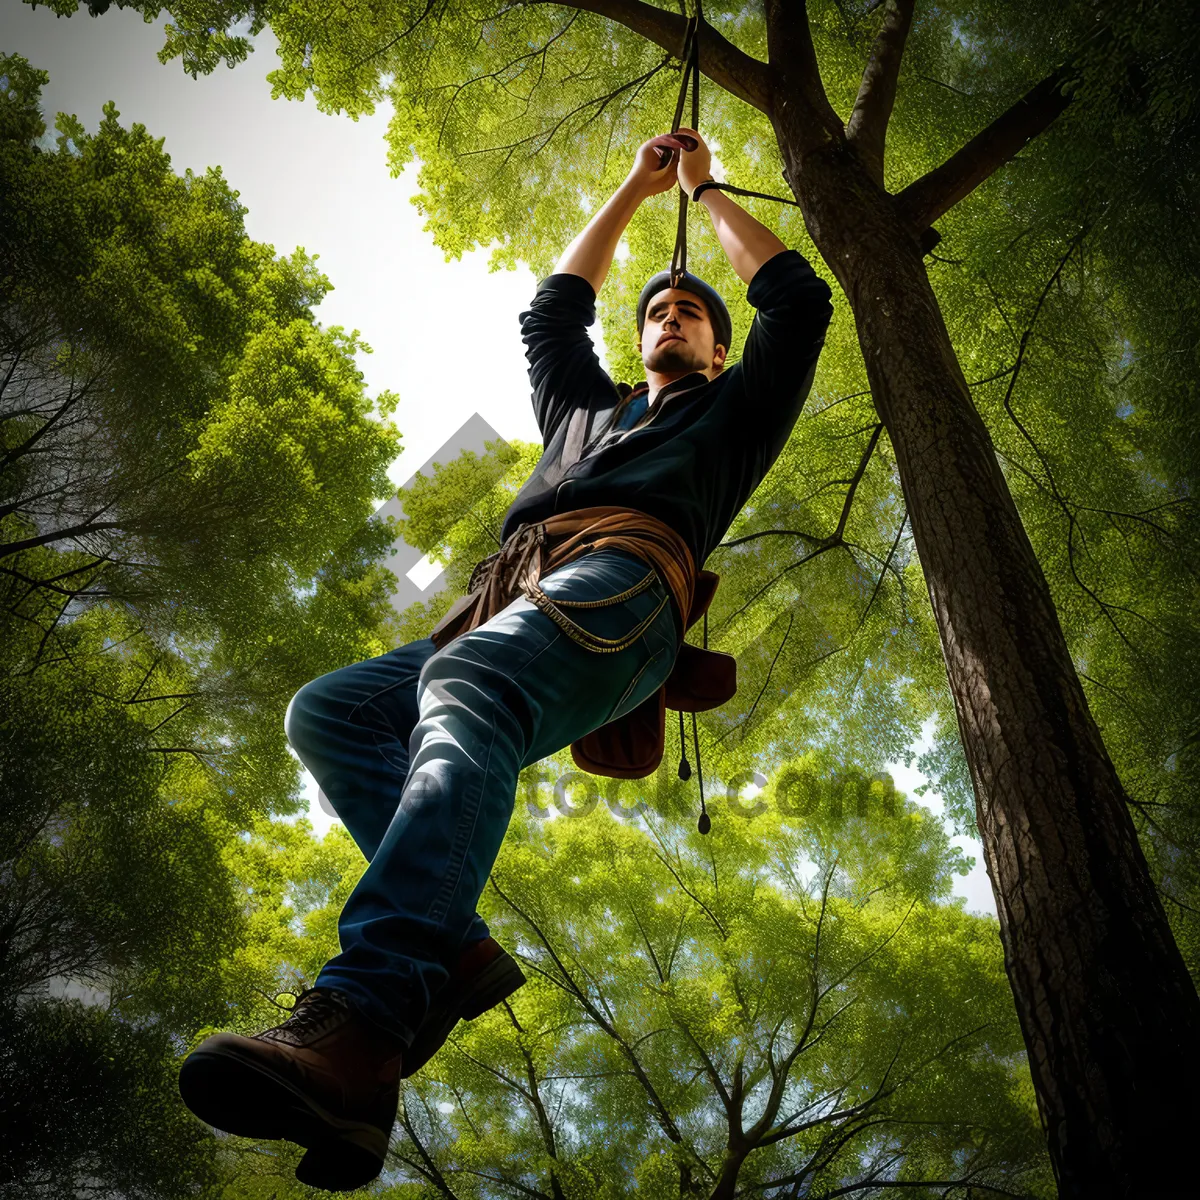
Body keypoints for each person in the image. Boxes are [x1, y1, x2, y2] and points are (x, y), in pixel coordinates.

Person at [178, 127, 834, 1190]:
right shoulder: (583, 411)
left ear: (717, 350)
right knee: (332, 712)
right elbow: (551, 312)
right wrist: (634, 184)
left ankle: (370, 1011)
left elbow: (799, 305)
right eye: (658, 309)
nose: (673, 316)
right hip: (509, 593)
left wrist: (706, 188)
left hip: (625, 581)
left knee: (465, 683)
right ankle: (441, 971)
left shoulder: (737, 411)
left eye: (694, 314)